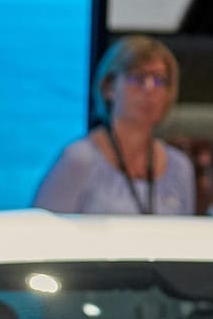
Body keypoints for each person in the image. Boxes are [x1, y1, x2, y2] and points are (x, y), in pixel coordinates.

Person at [33, 34, 196, 213]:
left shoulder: (180, 167)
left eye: (159, 80)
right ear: (109, 87)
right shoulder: (79, 160)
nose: (149, 89)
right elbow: (42, 231)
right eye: (138, 78)